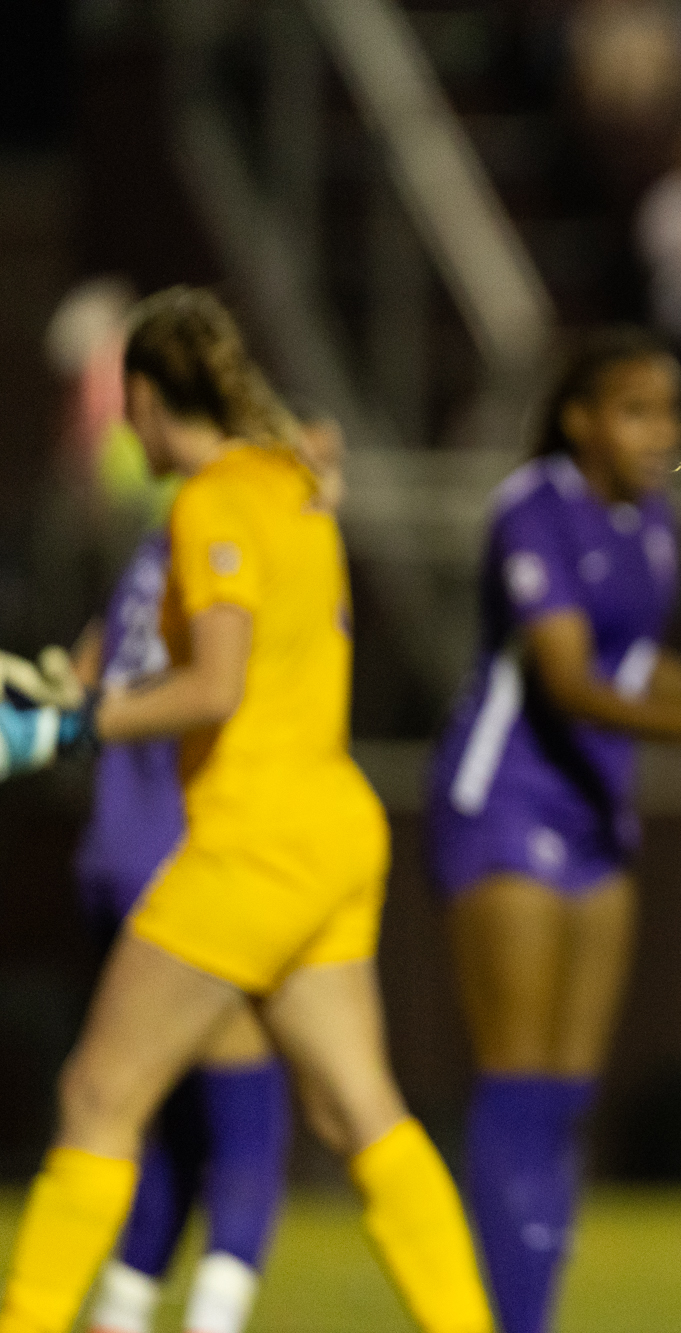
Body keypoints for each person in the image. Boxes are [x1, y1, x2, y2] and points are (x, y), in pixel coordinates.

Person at [0, 287, 492, 1333]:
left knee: (98, 1094)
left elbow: (212, 687)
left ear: (141, 395)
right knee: (359, 1111)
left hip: (255, 840)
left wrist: (69, 727)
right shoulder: (294, 480)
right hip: (335, 828)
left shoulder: (213, 499)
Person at [425, 327, 681, 1333]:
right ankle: (507, 1318)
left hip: (595, 812)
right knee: (519, 1076)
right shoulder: (532, 508)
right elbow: (572, 682)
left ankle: (528, 1307)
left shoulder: (647, 525)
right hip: (508, 798)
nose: (659, 431)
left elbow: (632, 663)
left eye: (666, 410)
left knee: (568, 1087)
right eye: (634, 409)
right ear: (579, 419)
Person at [71, 406, 343, 1333]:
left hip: (113, 852)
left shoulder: (164, 543)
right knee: (248, 1114)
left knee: (148, 1117)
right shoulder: (253, 550)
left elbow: (80, 676)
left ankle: (117, 1308)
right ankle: (213, 1317)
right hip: (201, 854)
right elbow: (235, 691)